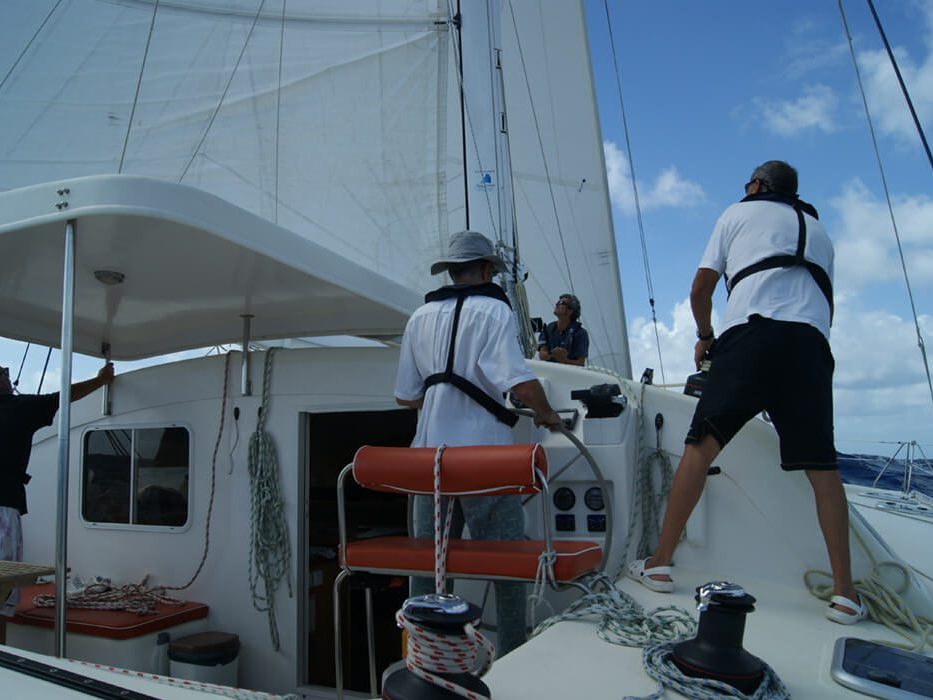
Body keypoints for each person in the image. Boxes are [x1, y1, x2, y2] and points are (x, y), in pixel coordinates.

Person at [626, 160, 865, 625]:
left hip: (751, 337)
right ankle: (846, 594)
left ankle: (658, 565)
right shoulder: (821, 233)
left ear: (757, 186)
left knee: (700, 446)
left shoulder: (739, 213)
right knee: (823, 467)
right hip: (810, 347)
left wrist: (705, 333)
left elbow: (701, 288)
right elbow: (824, 309)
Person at [394, 230, 562, 655]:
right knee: (505, 561)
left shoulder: (418, 318)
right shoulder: (494, 311)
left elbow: (405, 395)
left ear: (450, 272)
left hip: (430, 461)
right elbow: (517, 379)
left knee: (430, 565)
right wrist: (546, 412)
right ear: (487, 270)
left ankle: (426, 651)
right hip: (484, 460)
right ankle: (510, 652)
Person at [0, 362, 115, 640]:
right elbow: (63, 395)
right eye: (3, 372)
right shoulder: (19, 407)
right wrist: (101, 381)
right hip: (4, 506)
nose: (8, 374)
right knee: (2, 593)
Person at [537, 294, 588, 366]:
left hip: (569, 375)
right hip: (550, 371)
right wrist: (552, 354)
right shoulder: (549, 328)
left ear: (570, 311)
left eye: (561, 303)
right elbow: (542, 354)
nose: (557, 304)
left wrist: (564, 360)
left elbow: (580, 362)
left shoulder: (580, 333)